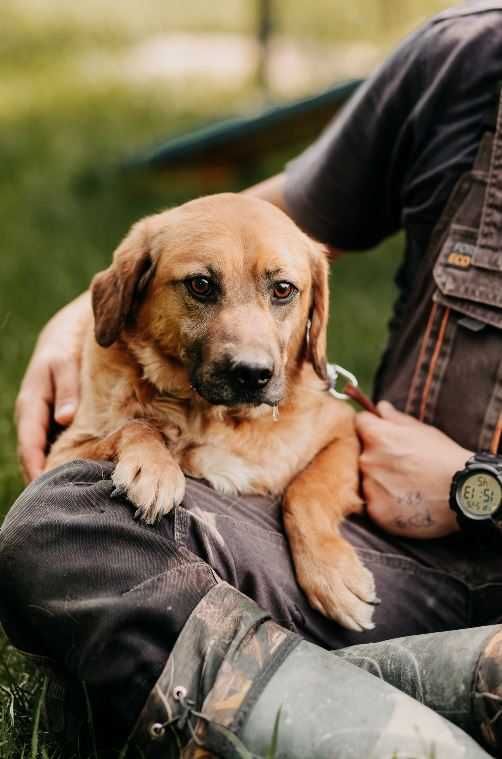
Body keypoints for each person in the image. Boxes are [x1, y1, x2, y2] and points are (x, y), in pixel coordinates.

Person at [2, 2, 502, 756]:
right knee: (66, 521)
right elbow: (259, 225)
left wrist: (479, 488)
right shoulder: (466, 58)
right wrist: (90, 307)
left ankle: (330, 703)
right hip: (384, 557)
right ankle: (401, 698)